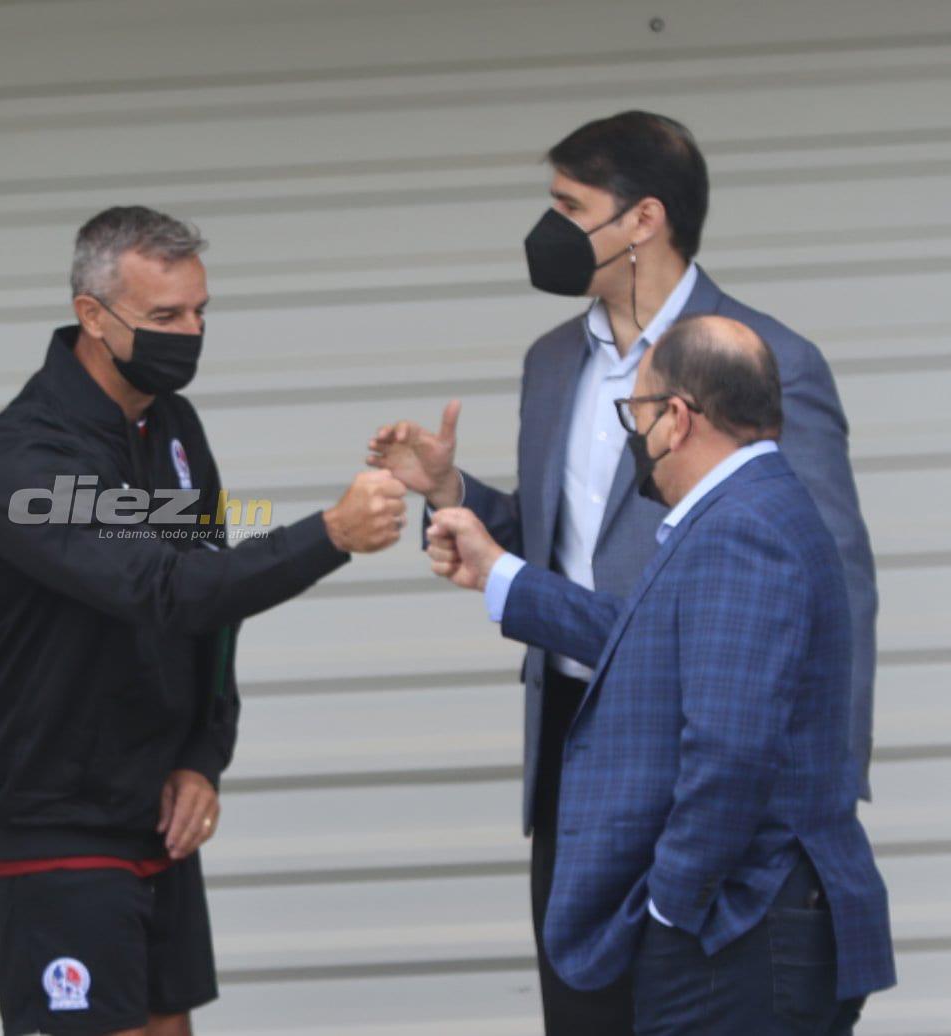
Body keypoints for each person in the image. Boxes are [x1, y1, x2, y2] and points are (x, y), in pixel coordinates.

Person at [367, 110, 877, 1034]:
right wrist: (450, 490)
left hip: (708, 753)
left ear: (643, 219)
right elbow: (551, 541)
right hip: (577, 739)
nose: (548, 227)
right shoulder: (553, 362)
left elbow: (829, 582)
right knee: (587, 1011)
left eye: (571, 205)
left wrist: (810, 799)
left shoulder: (770, 363)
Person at [0, 205, 407, 1036]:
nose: (191, 332)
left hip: (151, 806)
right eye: (165, 316)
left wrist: (203, 753)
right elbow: (163, 587)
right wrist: (330, 535)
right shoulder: (27, 465)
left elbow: (213, 598)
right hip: (53, 809)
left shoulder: (170, 424)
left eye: (200, 311)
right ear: (92, 316)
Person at [425, 315, 895, 1036]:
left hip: (734, 934)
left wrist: (670, 904)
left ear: (677, 419)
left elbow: (732, 751)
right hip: (747, 926)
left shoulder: (743, 529)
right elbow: (650, 644)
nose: (631, 438)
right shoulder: (752, 510)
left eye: (635, 414)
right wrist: (500, 575)